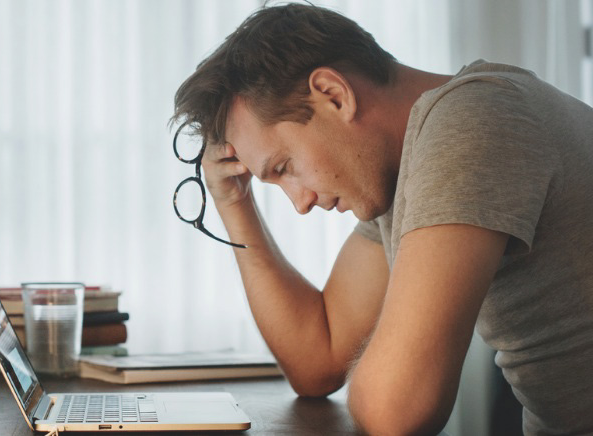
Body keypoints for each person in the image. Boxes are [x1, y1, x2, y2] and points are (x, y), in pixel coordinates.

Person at [170, 4, 593, 435]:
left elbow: (396, 411)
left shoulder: (474, 119)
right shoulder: (401, 171)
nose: (299, 202)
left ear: (333, 94)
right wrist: (233, 203)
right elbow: (319, 361)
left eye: (285, 167)